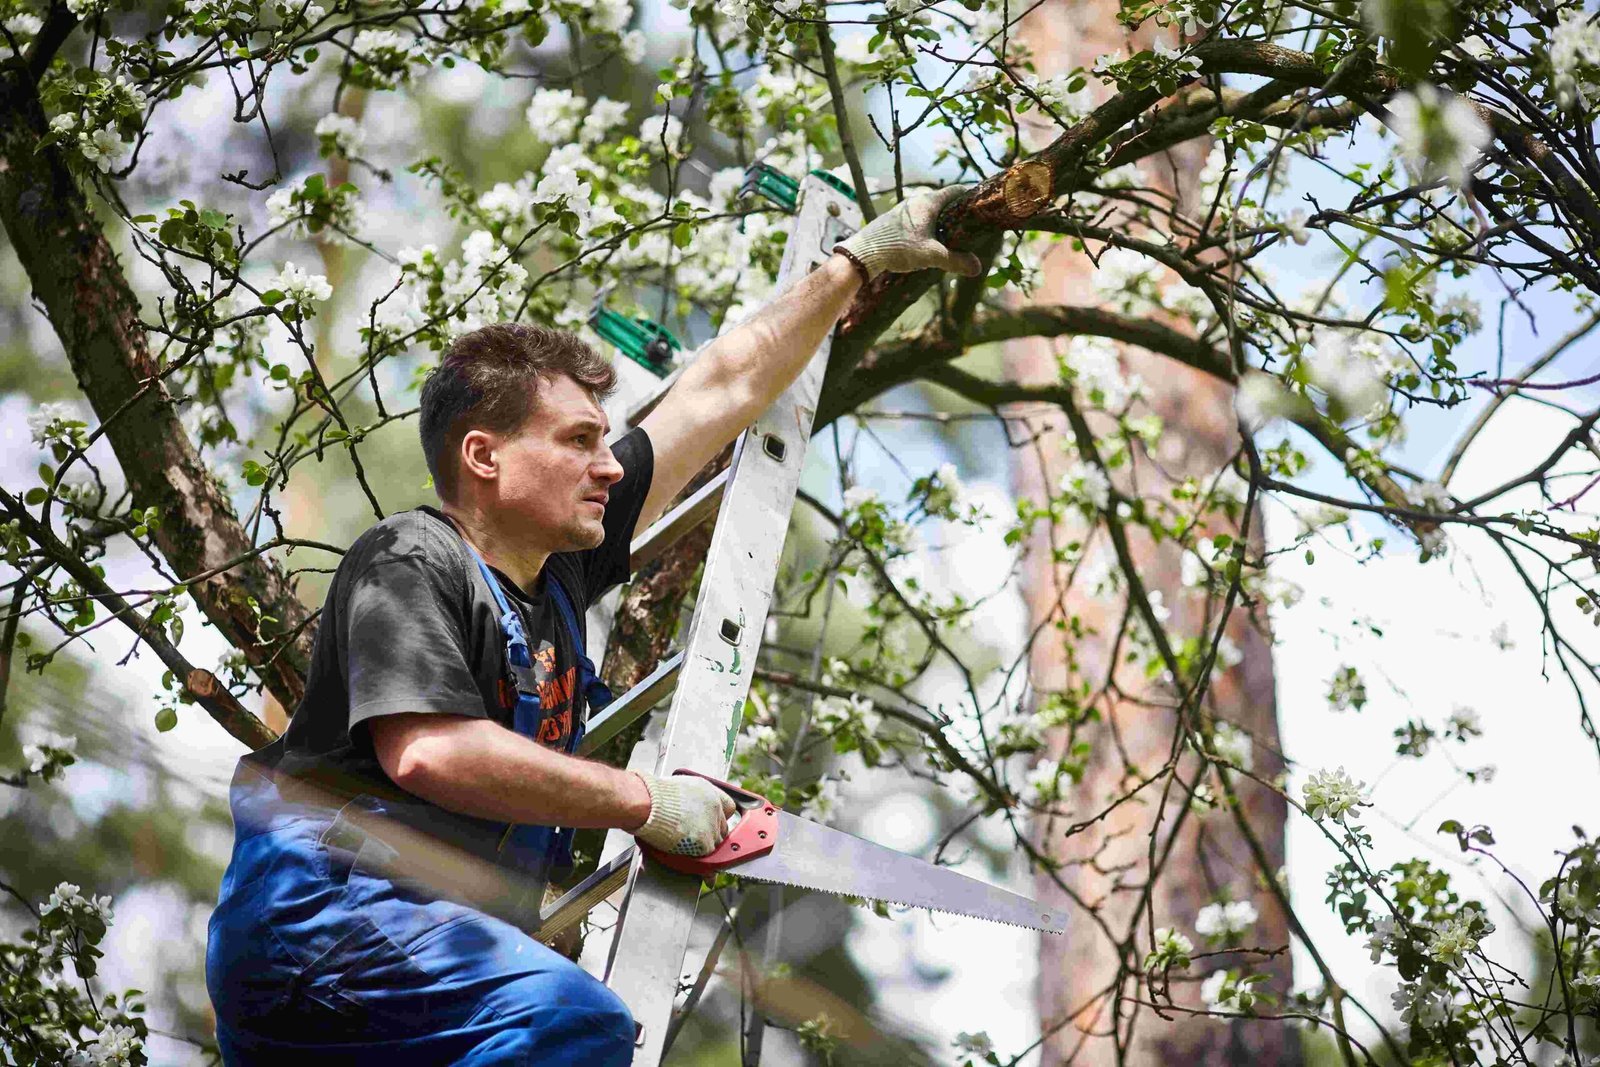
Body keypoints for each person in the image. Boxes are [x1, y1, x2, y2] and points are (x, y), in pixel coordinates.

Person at [204, 184, 981, 1065]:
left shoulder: (560, 569)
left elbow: (719, 389)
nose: (610, 466)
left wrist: (858, 262)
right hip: (325, 921)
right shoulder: (413, 559)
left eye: (608, 441)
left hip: (406, 954)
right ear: (484, 455)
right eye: (578, 441)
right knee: (574, 1022)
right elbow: (430, 751)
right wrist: (647, 803)